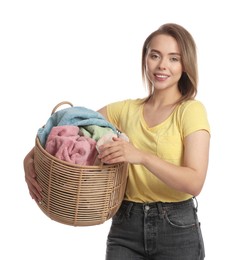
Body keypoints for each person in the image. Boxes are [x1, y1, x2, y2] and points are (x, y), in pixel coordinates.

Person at [24, 23, 210, 259]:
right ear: (145, 59)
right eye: (155, 55)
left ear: (185, 65)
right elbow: (70, 123)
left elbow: (195, 182)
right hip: (126, 227)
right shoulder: (125, 110)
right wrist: (29, 158)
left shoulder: (191, 111)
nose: (162, 65)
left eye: (174, 58)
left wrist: (140, 156)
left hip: (177, 230)